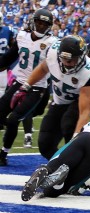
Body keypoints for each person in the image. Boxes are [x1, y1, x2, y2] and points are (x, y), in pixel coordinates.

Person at [22, 35, 90, 160]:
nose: (68, 63)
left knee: (69, 125)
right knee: (45, 143)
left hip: (77, 101)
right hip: (59, 101)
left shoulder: (88, 70)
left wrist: (76, 136)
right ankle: (61, 165)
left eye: (72, 59)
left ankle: (80, 164)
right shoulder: (53, 52)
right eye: (64, 58)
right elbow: (42, 68)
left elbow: (85, 111)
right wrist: (26, 85)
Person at [0, 9, 58, 166]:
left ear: (49, 26)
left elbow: (57, 69)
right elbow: (8, 58)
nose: (40, 26)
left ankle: (3, 154)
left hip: (37, 88)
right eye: (38, 22)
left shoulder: (53, 43)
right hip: (18, 82)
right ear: (33, 22)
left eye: (44, 24)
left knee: (13, 120)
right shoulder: (22, 36)